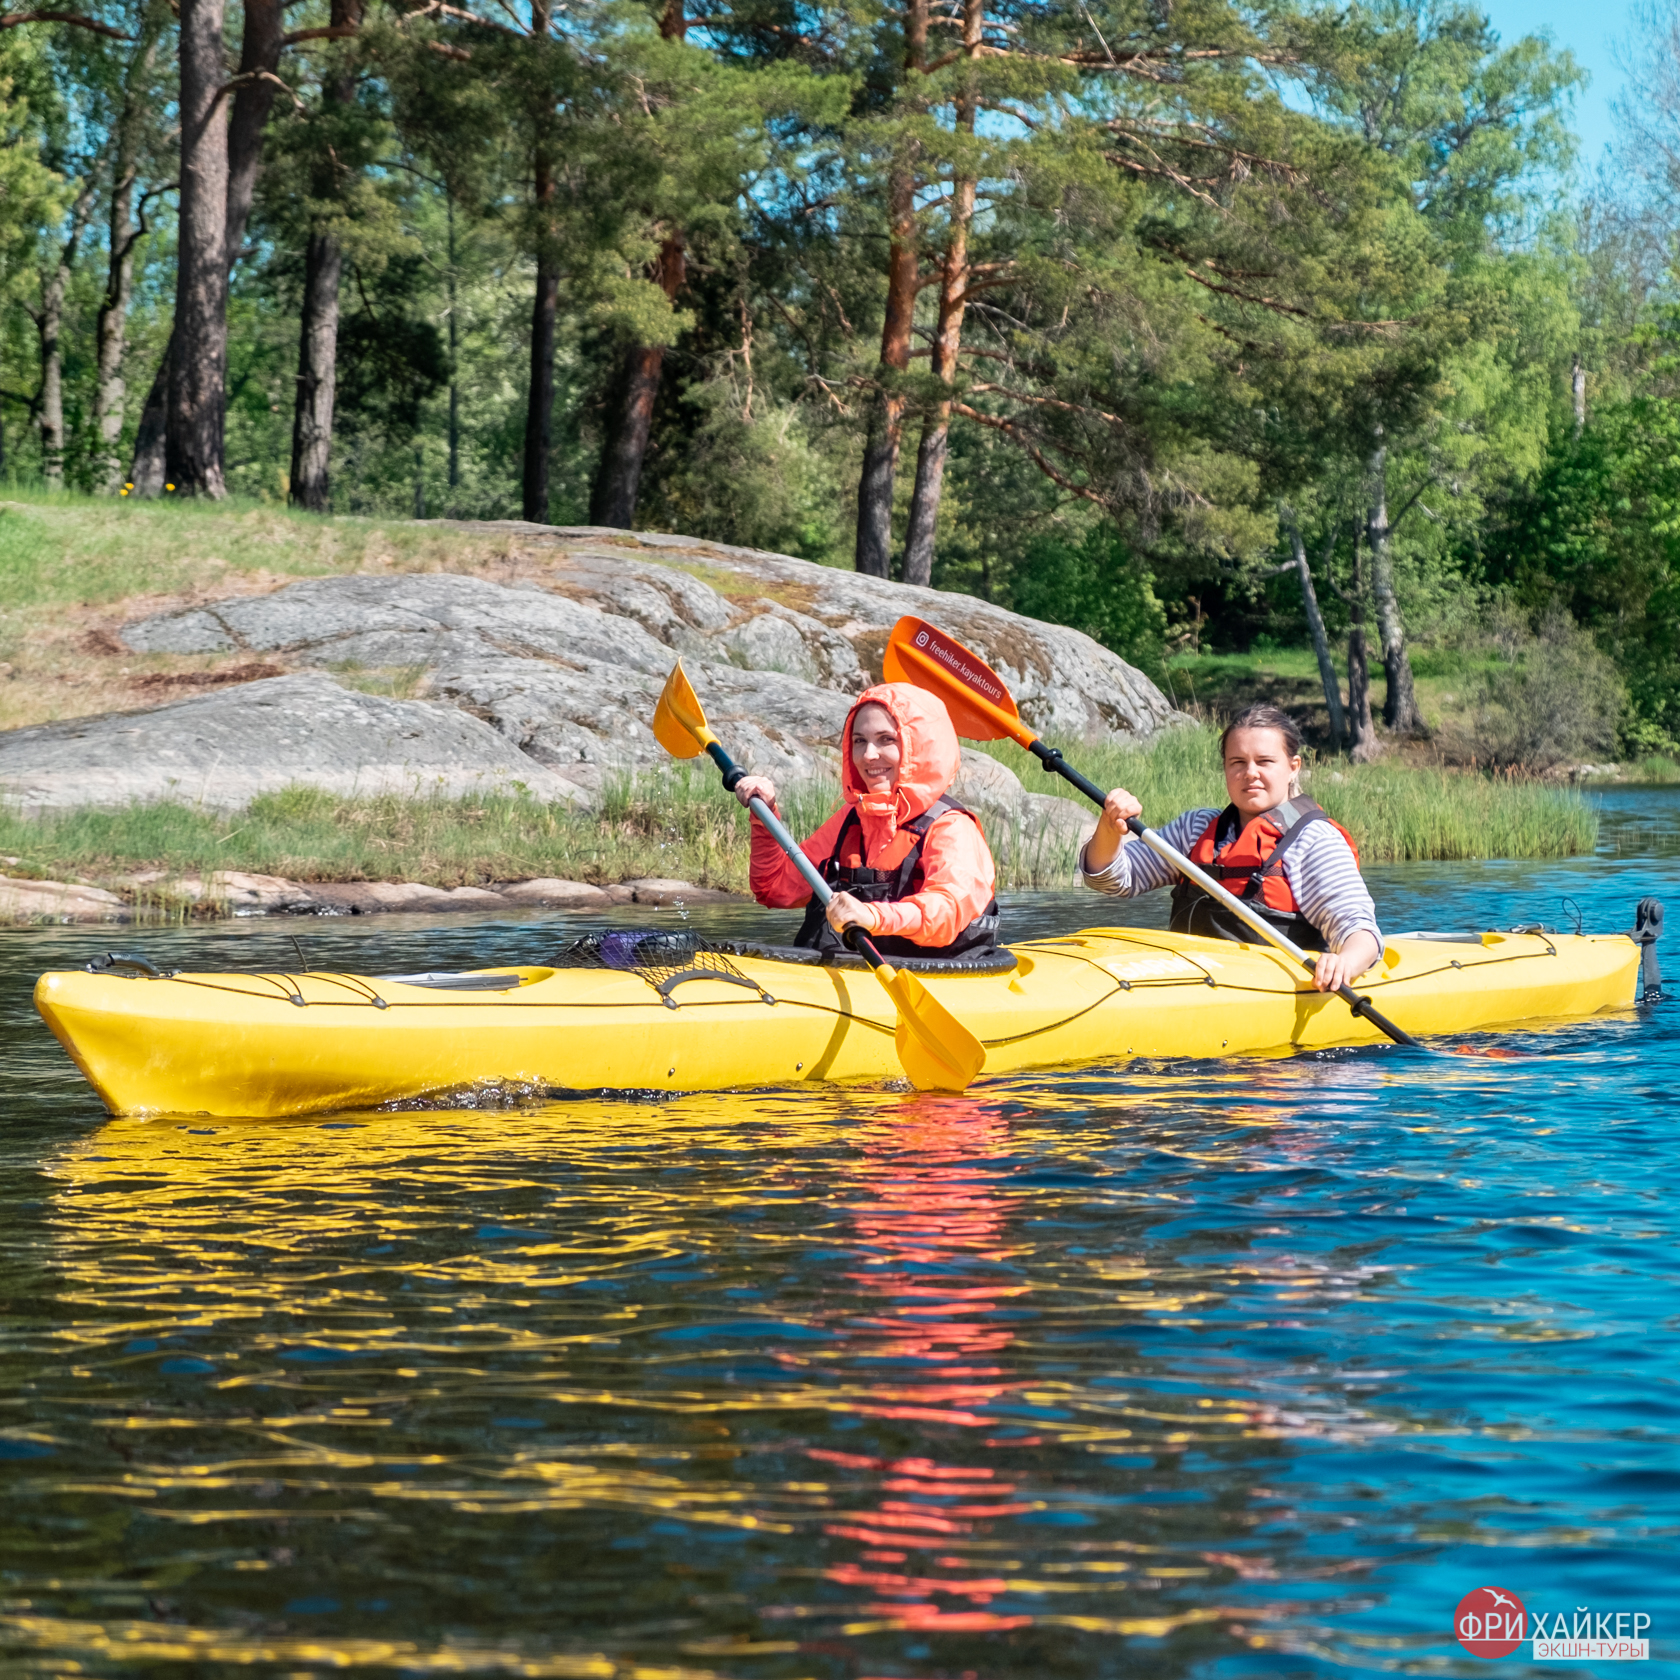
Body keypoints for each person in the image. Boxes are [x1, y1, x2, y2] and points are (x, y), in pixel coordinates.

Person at [1080, 703, 1381, 992]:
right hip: (1188, 979)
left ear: (1293, 767)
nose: (1250, 772)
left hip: (1269, 990)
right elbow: (1112, 880)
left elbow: (1359, 930)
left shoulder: (1313, 839)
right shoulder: (1196, 829)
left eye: (1264, 761)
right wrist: (1109, 828)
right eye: (1237, 762)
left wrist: (1344, 964)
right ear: (1225, 768)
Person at [733, 682, 1001, 958]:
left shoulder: (952, 828)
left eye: (886, 739)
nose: (869, 755)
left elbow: (946, 911)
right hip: (858, 978)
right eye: (860, 741)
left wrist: (872, 916)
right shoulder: (852, 820)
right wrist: (764, 816)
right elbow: (775, 887)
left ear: (920, 748)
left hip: (937, 976)